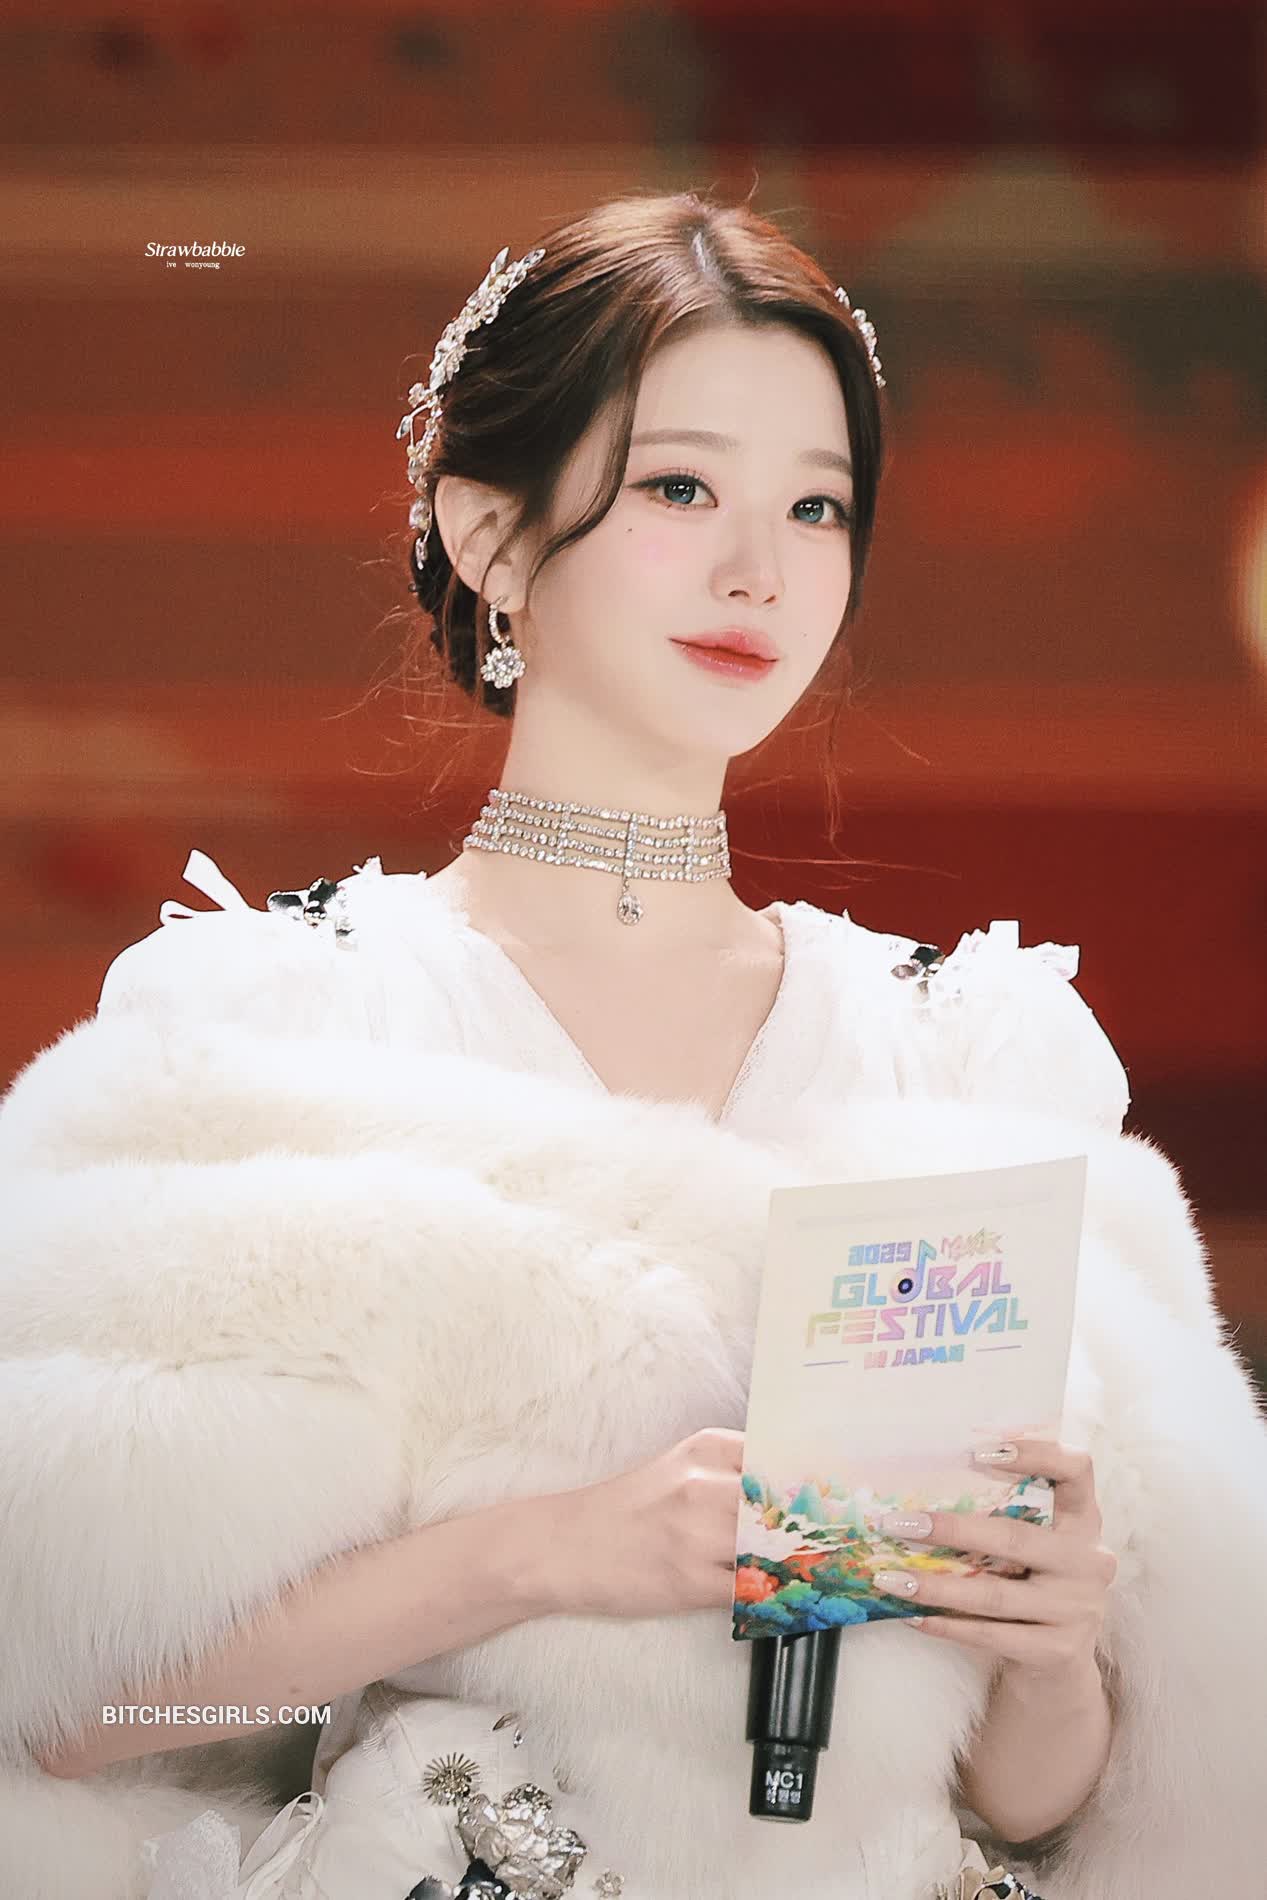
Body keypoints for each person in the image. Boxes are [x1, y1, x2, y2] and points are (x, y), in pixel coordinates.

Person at [1, 189, 1264, 1900]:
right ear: (490, 532)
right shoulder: (277, 1022)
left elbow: (1053, 1814)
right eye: (680, 488)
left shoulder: (968, 1054)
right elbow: (68, 1703)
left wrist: (1048, 1657)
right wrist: (541, 1557)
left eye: (816, 506)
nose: (760, 568)